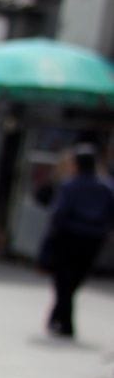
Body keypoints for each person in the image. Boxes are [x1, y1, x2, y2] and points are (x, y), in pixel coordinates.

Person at [40, 145, 114, 338]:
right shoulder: (106, 186)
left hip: (69, 237)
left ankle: (62, 319)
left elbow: (59, 213)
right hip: (94, 239)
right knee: (74, 280)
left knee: (63, 279)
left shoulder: (70, 185)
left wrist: (52, 236)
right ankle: (61, 319)